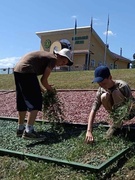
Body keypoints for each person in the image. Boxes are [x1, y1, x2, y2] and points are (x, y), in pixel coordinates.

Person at [14, 48, 73, 140]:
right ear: (59, 55)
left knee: (22, 99)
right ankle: (29, 131)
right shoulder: (53, 59)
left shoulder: (46, 57)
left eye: (65, 63)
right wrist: (51, 90)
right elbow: (43, 80)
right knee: (35, 101)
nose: (63, 64)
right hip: (26, 69)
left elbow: (34, 80)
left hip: (18, 70)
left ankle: (20, 129)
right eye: (63, 61)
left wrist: (42, 90)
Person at [85, 65, 135, 143]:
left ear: (110, 77)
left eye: (104, 83)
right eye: (99, 84)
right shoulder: (101, 90)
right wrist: (89, 131)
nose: (102, 86)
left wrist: (126, 112)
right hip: (116, 115)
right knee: (104, 96)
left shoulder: (122, 86)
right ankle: (117, 123)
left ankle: (116, 125)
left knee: (115, 92)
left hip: (128, 113)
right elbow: (93, 110)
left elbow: (132, 103)